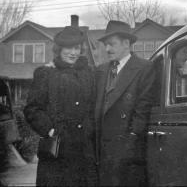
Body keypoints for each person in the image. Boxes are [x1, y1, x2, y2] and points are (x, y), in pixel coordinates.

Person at [24, 26, 97, 186]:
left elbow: (93, 106)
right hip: (57, 150)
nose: (73, 52)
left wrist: (89, 129)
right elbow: (32, 109)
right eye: (68, 48)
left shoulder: (89, 74)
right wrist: (50, 130)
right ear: (59, 49)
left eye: (77, 48)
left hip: (84, 150)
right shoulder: (46, 73)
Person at [95, 20, 155, 186]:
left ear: (126, 43)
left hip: (127, 152)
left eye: (112, 44)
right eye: (106, 45)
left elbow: (142, 110)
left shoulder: (144, 68)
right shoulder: (101, 70)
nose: (107, 49)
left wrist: (130, 142)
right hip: (102, 151)